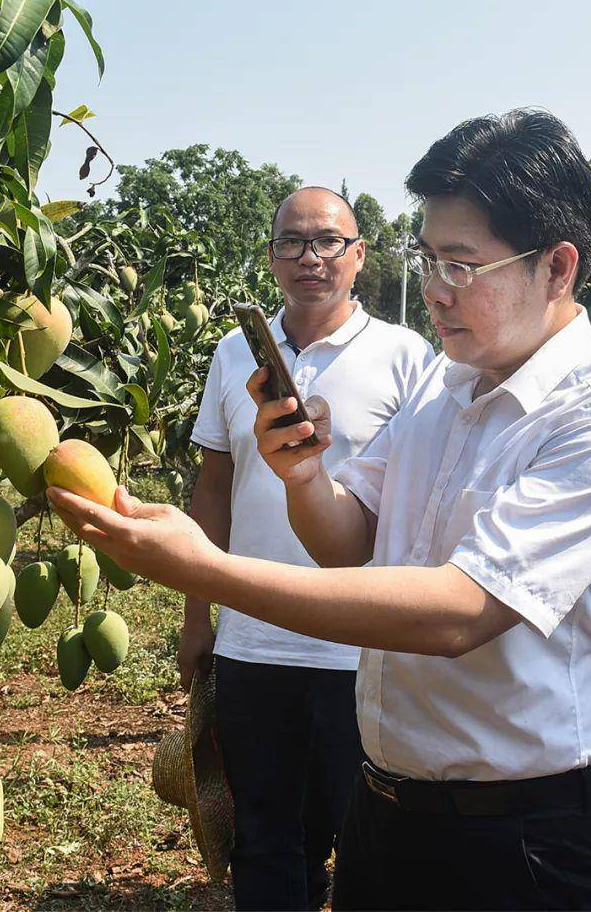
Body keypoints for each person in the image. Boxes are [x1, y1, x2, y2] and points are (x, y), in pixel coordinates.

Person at [49, 109, 591, 911]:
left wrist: (210, 572)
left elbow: (459, 612)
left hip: (521, 845)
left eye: (462, 266)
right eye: (428, 259)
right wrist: (305, 478)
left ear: (556, 267)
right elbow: (351, 542)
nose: (436, 292)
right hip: (386, 819)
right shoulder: (445, 390)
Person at [180, 186, 433, 911]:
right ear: (271, 258)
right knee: (260, 836)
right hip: (254, 644)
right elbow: (215, 488)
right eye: (292, 242)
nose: (310, 258)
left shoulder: (405, 357)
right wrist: (200, 616)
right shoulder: (234, 355)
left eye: (328, 242)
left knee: (353, 832)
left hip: (357, 646)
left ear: (359, 257)